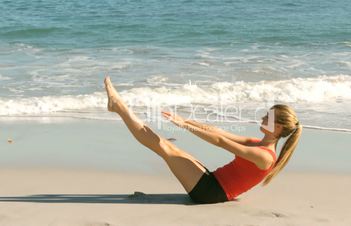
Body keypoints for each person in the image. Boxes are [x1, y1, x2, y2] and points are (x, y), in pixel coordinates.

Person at [104, 76, 302, 204]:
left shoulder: (265, 157)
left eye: (269, 117)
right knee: (166, 146)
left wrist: (184, 126)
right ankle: (118, 107)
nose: (263, 118)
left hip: (210, 193)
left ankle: (119, 107)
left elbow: (220, 142)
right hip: (212, 182)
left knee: (162, 145)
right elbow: (219, 132)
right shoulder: (256, 143)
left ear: (278, 127)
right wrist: (185, 120)